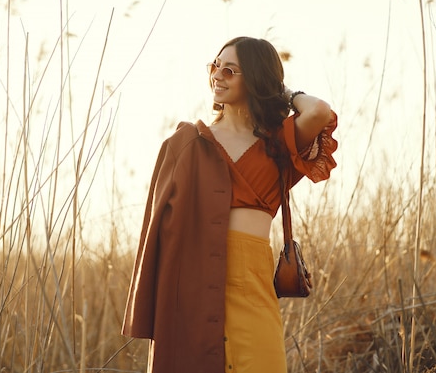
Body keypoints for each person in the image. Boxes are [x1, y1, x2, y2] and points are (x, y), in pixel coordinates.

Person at [122, 36, 338, 373]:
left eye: (230, 70)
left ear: (254, 77)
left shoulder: (277, 141)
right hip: (193, 284)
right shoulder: (186, 143)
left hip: (253, 285)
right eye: (214, 66)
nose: (217, 75)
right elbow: (156, 234)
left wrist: (282, 92)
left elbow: (319, 112)